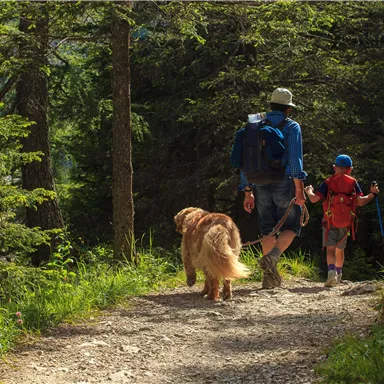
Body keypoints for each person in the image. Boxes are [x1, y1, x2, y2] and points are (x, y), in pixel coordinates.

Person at [242, 88, 307, 289]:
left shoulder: (255, 124)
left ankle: (268, 279)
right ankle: (273, 257)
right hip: (285, 182)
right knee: (291, 227)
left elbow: (247, 160)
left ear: (270, 106)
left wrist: (247, 190)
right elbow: (295, 162)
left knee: (267, 229)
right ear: (288, 109)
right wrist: (299, 190)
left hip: (260, 183)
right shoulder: (291, 126)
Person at [304, 154, 379, 287]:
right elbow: (360, 202)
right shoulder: (353, 182)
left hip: (329, 221)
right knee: (340, 249)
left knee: (330, 249)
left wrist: (309, 191)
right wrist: (372, 194)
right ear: (350, 169)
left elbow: (314, 199)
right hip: (346, 222)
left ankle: (331, 273)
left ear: (334, 168)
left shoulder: (328, 182)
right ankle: (339, 275)